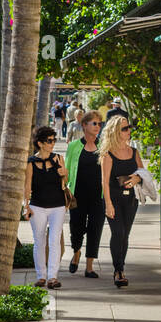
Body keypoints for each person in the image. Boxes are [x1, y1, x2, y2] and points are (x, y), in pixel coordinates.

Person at [99, 114, 141, 288]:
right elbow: (104, 181)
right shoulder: (107, 154)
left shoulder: (134, 152)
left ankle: (120, 267)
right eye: (125, 128)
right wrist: (108, 204)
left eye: (129, 127)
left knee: (126, 235)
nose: (129, 130)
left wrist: (136, 179)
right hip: (113, 198)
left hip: (130, 199)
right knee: (118, 233)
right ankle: (118, 270)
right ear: (116, 132)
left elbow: (142, 173)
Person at [61, 111, 105, 277]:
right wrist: (64, 189)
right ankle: (76, 252)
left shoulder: (104, 147)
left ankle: (89, 266)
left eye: (99, 124)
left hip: (98, 196)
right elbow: (67, 171)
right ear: (84, 125)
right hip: (77, 195)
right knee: (76, 228)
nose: (97, 127)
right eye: (94, 123)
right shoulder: (73, 146)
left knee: (95, 229)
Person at [22, 126, 66, 289]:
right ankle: (41, 276)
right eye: (49, 141)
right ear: (40, 143)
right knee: (39, 241)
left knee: (54, 240)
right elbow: (27, 186)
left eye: (54, 140)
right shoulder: (31, 163)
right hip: (37, 206)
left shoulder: (58, 159)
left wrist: (63, 172)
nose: (53, 143)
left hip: (58, 206)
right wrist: (26, 206)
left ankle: (52, 277)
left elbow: (64, 180)